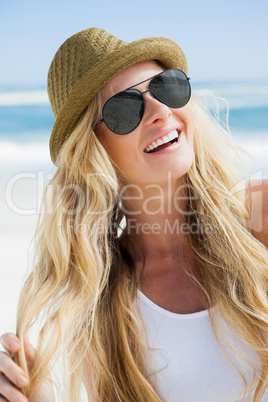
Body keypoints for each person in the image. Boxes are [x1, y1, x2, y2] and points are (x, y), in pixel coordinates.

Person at [0, 27, 268, 402]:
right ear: (93, 150)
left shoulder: (260, 218)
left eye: (166, 87)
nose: (161, 111)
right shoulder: (96, 312)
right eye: (124, 109)